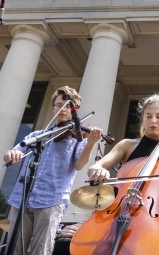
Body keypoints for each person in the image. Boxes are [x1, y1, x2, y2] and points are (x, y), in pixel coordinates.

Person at [87, 93, 159, 254]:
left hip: (157, 219)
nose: (153, 121)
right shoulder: (128, 145)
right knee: (67, 236)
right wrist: (98, 170)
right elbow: (95, 167)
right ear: (143, 119)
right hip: (121, 211)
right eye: (149, 116)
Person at [3, 86, 103, 255]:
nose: (62, 109)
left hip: (51, 199)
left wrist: (91, 143)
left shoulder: (77, 139)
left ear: (75, 110)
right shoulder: (36, 136)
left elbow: (79, 166)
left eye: (67, 106)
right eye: (58, 105)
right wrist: (11, 153)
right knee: (14, 249)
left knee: (41, 250)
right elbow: (10, 154)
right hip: (22, 197)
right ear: (53, 108)